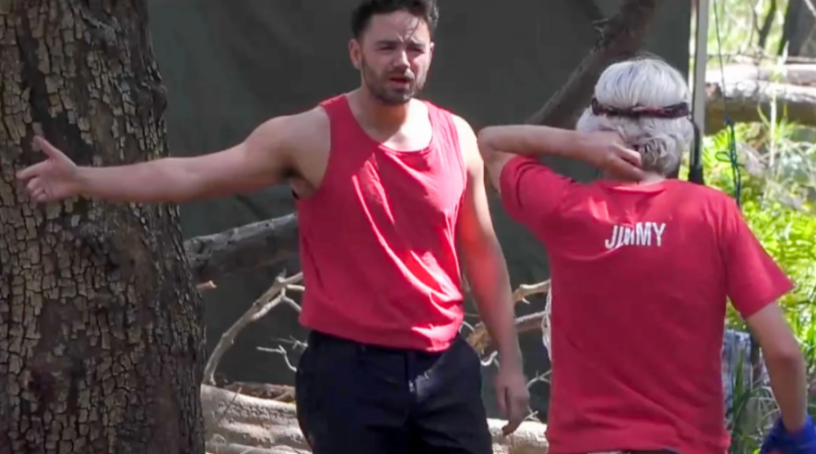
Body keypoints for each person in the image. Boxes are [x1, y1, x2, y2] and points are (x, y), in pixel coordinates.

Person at [15, 0, 530, 452]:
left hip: (445, 369)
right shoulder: (309, 136)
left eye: (414, 48)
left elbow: (482, 252)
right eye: (387, 47)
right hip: (351, 376)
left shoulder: (457, 137)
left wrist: (509, 361)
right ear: (357, 53)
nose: (401, 61)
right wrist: (84, 178)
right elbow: (194, 173)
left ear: (431, 53)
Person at [476, 57, 812, 454]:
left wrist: (577, 144)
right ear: (681, 130)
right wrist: (795, 431)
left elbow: (490, 143)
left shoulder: (565, 208)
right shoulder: (712, 214)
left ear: (595, 128)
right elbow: (785, 353)